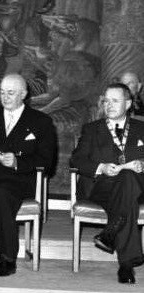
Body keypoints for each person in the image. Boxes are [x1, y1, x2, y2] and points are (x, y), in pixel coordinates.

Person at [0, 74, 56, 276]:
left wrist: (17, 162)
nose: (5, 97)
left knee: (3, 195)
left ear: (23, 94)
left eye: (11, 93)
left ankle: (6, 259)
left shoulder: (41, 121)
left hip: (18, 179)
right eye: (2, 92)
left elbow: (47, 161)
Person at [71, 83, 144, 284]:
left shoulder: (141, 128)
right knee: (126, 186)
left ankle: (113, 234)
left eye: (115, 100)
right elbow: (76, 160)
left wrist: (142, 164)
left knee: (128, 179)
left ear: (128, 103)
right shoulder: (91, 129)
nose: (109, 105)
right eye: (106, 101)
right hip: (100, 187)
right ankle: (127, 263)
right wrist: (101, 167)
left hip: (136, 187)